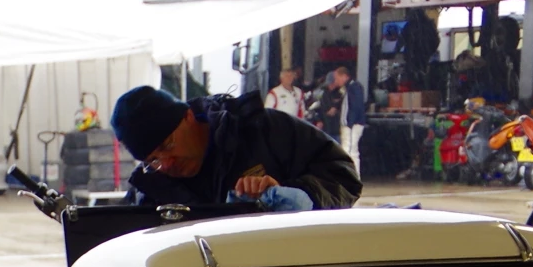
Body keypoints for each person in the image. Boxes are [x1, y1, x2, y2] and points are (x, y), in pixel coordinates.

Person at [111, 84, 361, 211]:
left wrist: (300, 195)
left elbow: (343, 175)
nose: (166, 164)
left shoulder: (262, 129)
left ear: (188, 117)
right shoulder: (148, 192)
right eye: (153, 161)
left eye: (168, 145)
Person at [315, 65, 366, 175]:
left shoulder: (354, 87)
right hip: (349, 124)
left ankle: (349, 177)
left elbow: (356, 106)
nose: (336, 81)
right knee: (350, 150)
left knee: (348, 150)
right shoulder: (348, 88)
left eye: (337, 78)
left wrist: (350, 123)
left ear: (344, 76)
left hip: (351, 124)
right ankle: (351, 176)